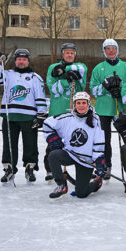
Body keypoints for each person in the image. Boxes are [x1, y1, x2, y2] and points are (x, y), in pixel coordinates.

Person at [0, 48, 47, 184]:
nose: (21, 62)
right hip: (10, 116)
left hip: (29, 116)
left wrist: (41, 114)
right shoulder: (7, 74)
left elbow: (40, 96)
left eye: (24, 60)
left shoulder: (35, 77)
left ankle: (29, 168)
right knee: (9, 144)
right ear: (15, 61)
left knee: (30, 144)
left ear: (28, 61)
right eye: (19, 59)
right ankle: (9, 169)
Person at [43, 91, 105, 199]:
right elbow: (47, 123)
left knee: (81, 193)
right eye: (78, 103)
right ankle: (61, 185)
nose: (81, 106)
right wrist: (54, 140)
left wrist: (99, 161)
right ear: (74, 104)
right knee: (53, 155)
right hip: (70, 154)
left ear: (88, 104)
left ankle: (96, 182)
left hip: (86, 160)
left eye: (84, 103)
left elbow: (99, 142)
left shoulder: (95, 120)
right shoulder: (67, 118)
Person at [89, 38, 126, 180]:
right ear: (104, 51)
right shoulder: (98, 68)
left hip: (121, 109)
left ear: (117, 50)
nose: (111, 51)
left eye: (113, 48)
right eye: (107, 48)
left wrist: (120, 91)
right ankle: (106, 165)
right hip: (103, 110)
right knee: (104, 139)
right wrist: (105, 86)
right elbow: (93, 90)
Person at [44, 42, 88, 181]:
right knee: (54, 143)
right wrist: (65, 79)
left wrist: (67, 72)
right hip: (57, 111)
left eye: (72, 53)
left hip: (74, 113)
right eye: (67, 52)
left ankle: (79, 169)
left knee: (75, 142)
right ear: (62, 54)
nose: (69, 54)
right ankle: (51, 169)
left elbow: (81, 81)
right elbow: (54, 90)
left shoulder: (81, 66)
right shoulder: (52, 67)